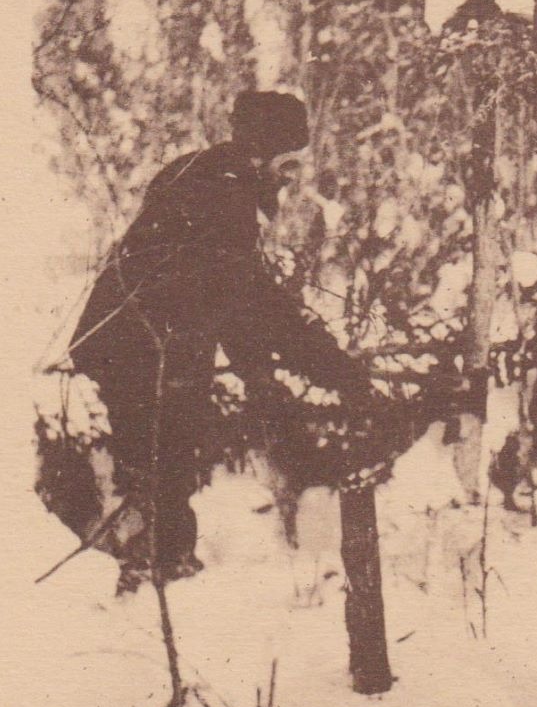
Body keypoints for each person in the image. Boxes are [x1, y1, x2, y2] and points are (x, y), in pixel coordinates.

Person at [68, 91, 379, 592]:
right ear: (263, 152)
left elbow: (230, 297)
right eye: (289, 162)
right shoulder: (225, 196)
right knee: (163, 465)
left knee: (161, 465)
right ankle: (157, 580)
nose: (293, 178)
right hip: (143, 349)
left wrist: (267, 365)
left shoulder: (202, 174)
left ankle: (158, 572)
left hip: (130, 343)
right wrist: (333, 369)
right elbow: (252, 303)